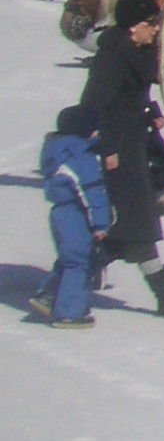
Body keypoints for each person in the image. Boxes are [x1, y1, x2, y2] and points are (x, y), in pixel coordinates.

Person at [79, 0, 164, 316]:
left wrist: (151, 112)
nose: (155, 29)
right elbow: (94, 107)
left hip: (137, 140)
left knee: (137, 219)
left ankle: (83, 265)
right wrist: (106, 149)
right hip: (120, 147)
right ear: (132, 26)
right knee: (137, 223)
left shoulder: (134, 51)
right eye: (150, 23)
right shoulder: (112, 56)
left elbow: (131, 94)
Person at [32, 104, 111, 327]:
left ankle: (48, 295)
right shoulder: (79, 159)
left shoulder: (60, 152)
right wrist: (101, 224)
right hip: (75, 215)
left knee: (69, 259)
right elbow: (92, 194)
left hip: (62, 213)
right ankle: (68, 313)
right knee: (79, 263)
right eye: (95, 129)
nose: (98, 132)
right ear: (85, 130)